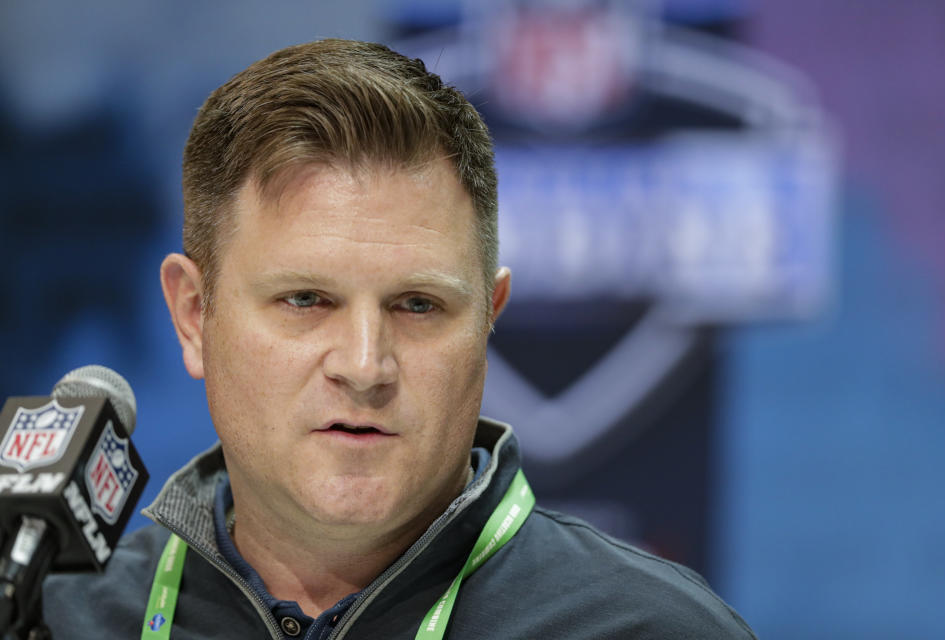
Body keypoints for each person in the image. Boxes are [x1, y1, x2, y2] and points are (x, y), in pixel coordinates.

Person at [43, 39, 755, 639]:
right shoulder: (57, 620)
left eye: (418, 305)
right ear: (195, 316)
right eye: (305, 300)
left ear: (488, 319)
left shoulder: (653, 630)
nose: (364, 365)